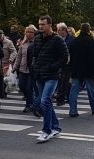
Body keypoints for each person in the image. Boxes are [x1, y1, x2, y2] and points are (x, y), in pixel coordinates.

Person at [31, 15, 69, 143]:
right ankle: (55, 127)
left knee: (45, 100)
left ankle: (46, 131)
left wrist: (53, 67)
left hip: (52, 75)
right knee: (46, 102)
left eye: (43, 24)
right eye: (39, 24)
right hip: (40, 74)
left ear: (50, 25)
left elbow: (65, 57)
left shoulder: (57, 39)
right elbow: (35, 56)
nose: (40, 26)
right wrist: (34, 68)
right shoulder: (37, 39)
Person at [67, 22, 94, 117]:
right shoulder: (91, 41)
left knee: (74, 90)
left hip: (76, 69)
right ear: (88, 30)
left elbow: (71, 55)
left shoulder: (74, 41)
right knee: (91, 90)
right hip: (88, 69)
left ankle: (72, 110)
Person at [13, 24, 37, 113]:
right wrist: (15, 67)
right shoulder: (23, 44)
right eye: (27, 32)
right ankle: (31, 100)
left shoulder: (37, 43)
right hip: (22, 69)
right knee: (22, 86)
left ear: (34, 33)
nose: (29, 34)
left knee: (29, 88)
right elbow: (18, 57)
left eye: (31, 32)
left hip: (32, 70)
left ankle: (29, 104)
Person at [54, 22, 73, 105]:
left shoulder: (72, 39)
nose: (57, 32)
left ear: (64, 30)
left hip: (69, 64)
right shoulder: (57, 39)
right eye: (57, 30)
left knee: (65, 81)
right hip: (59, 63)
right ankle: (66, 96)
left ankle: (61, 98)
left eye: (59, 30)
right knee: (62, 81)